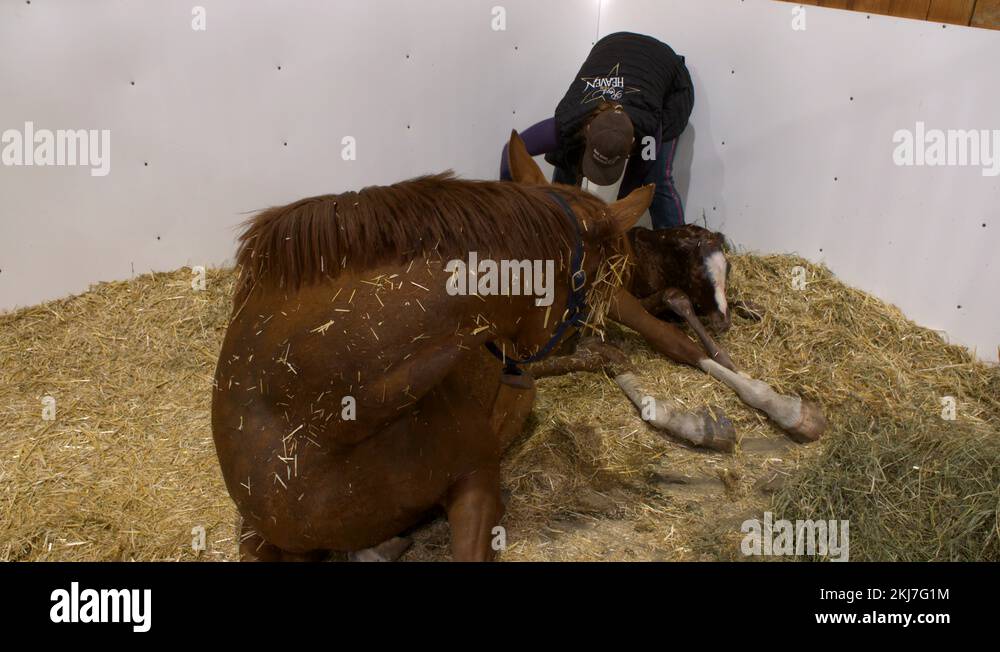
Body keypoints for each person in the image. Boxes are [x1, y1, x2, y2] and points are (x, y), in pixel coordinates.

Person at [500, 32, 693, 229]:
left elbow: (630, 192)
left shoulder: (649, 134)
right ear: (588, 127)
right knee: (567, 156)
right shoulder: (568, 120)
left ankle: (677, 245)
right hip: (613, 46)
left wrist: (612, 225)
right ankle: (559, 225)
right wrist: (509, 211)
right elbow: (509, 153)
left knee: (656, 179)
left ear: (634, 142)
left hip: (667, 73)